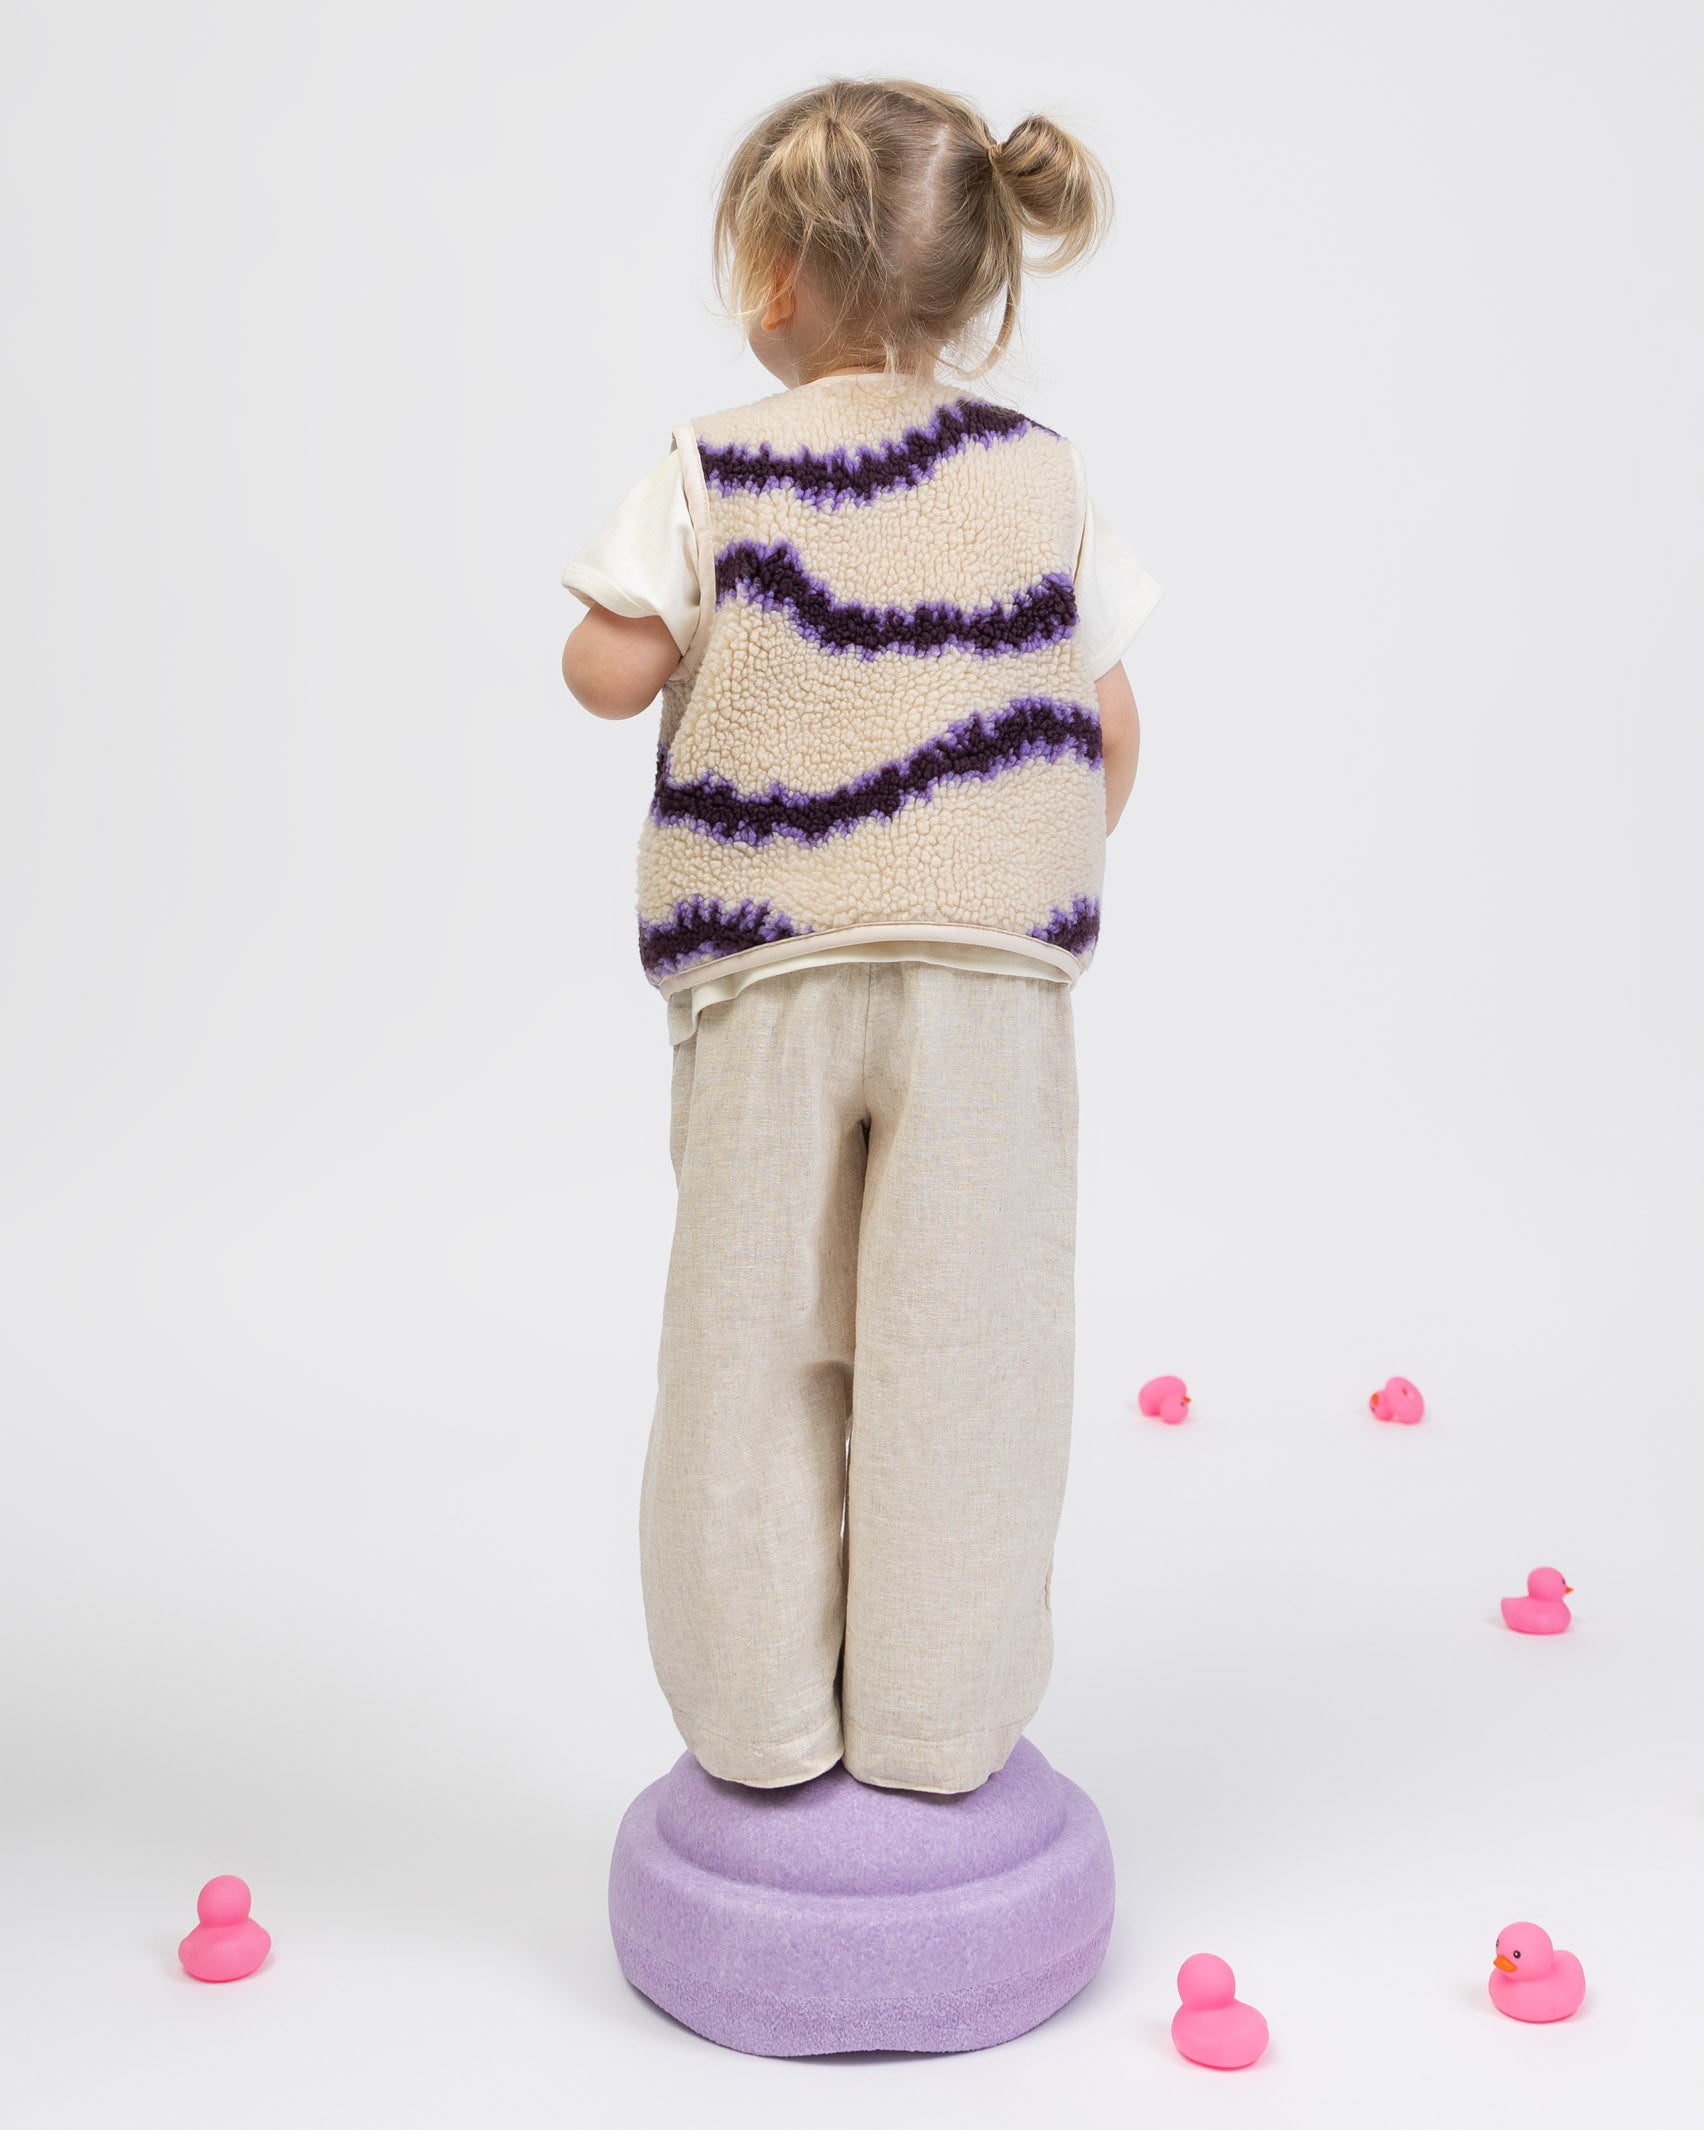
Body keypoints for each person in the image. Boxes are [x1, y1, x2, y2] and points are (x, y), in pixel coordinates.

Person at [560, 77, 1163, 1795]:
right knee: (970, 1344)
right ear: (977, 282)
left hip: (774, 967)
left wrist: (651, 632)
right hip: (992, 985)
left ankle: (756, 1720)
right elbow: (1112, 729)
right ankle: (936, 1724)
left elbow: (606, 671)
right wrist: (1001, 852)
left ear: (772, 276)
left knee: (750, 1340)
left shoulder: (715, 465)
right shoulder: (1042, 479)